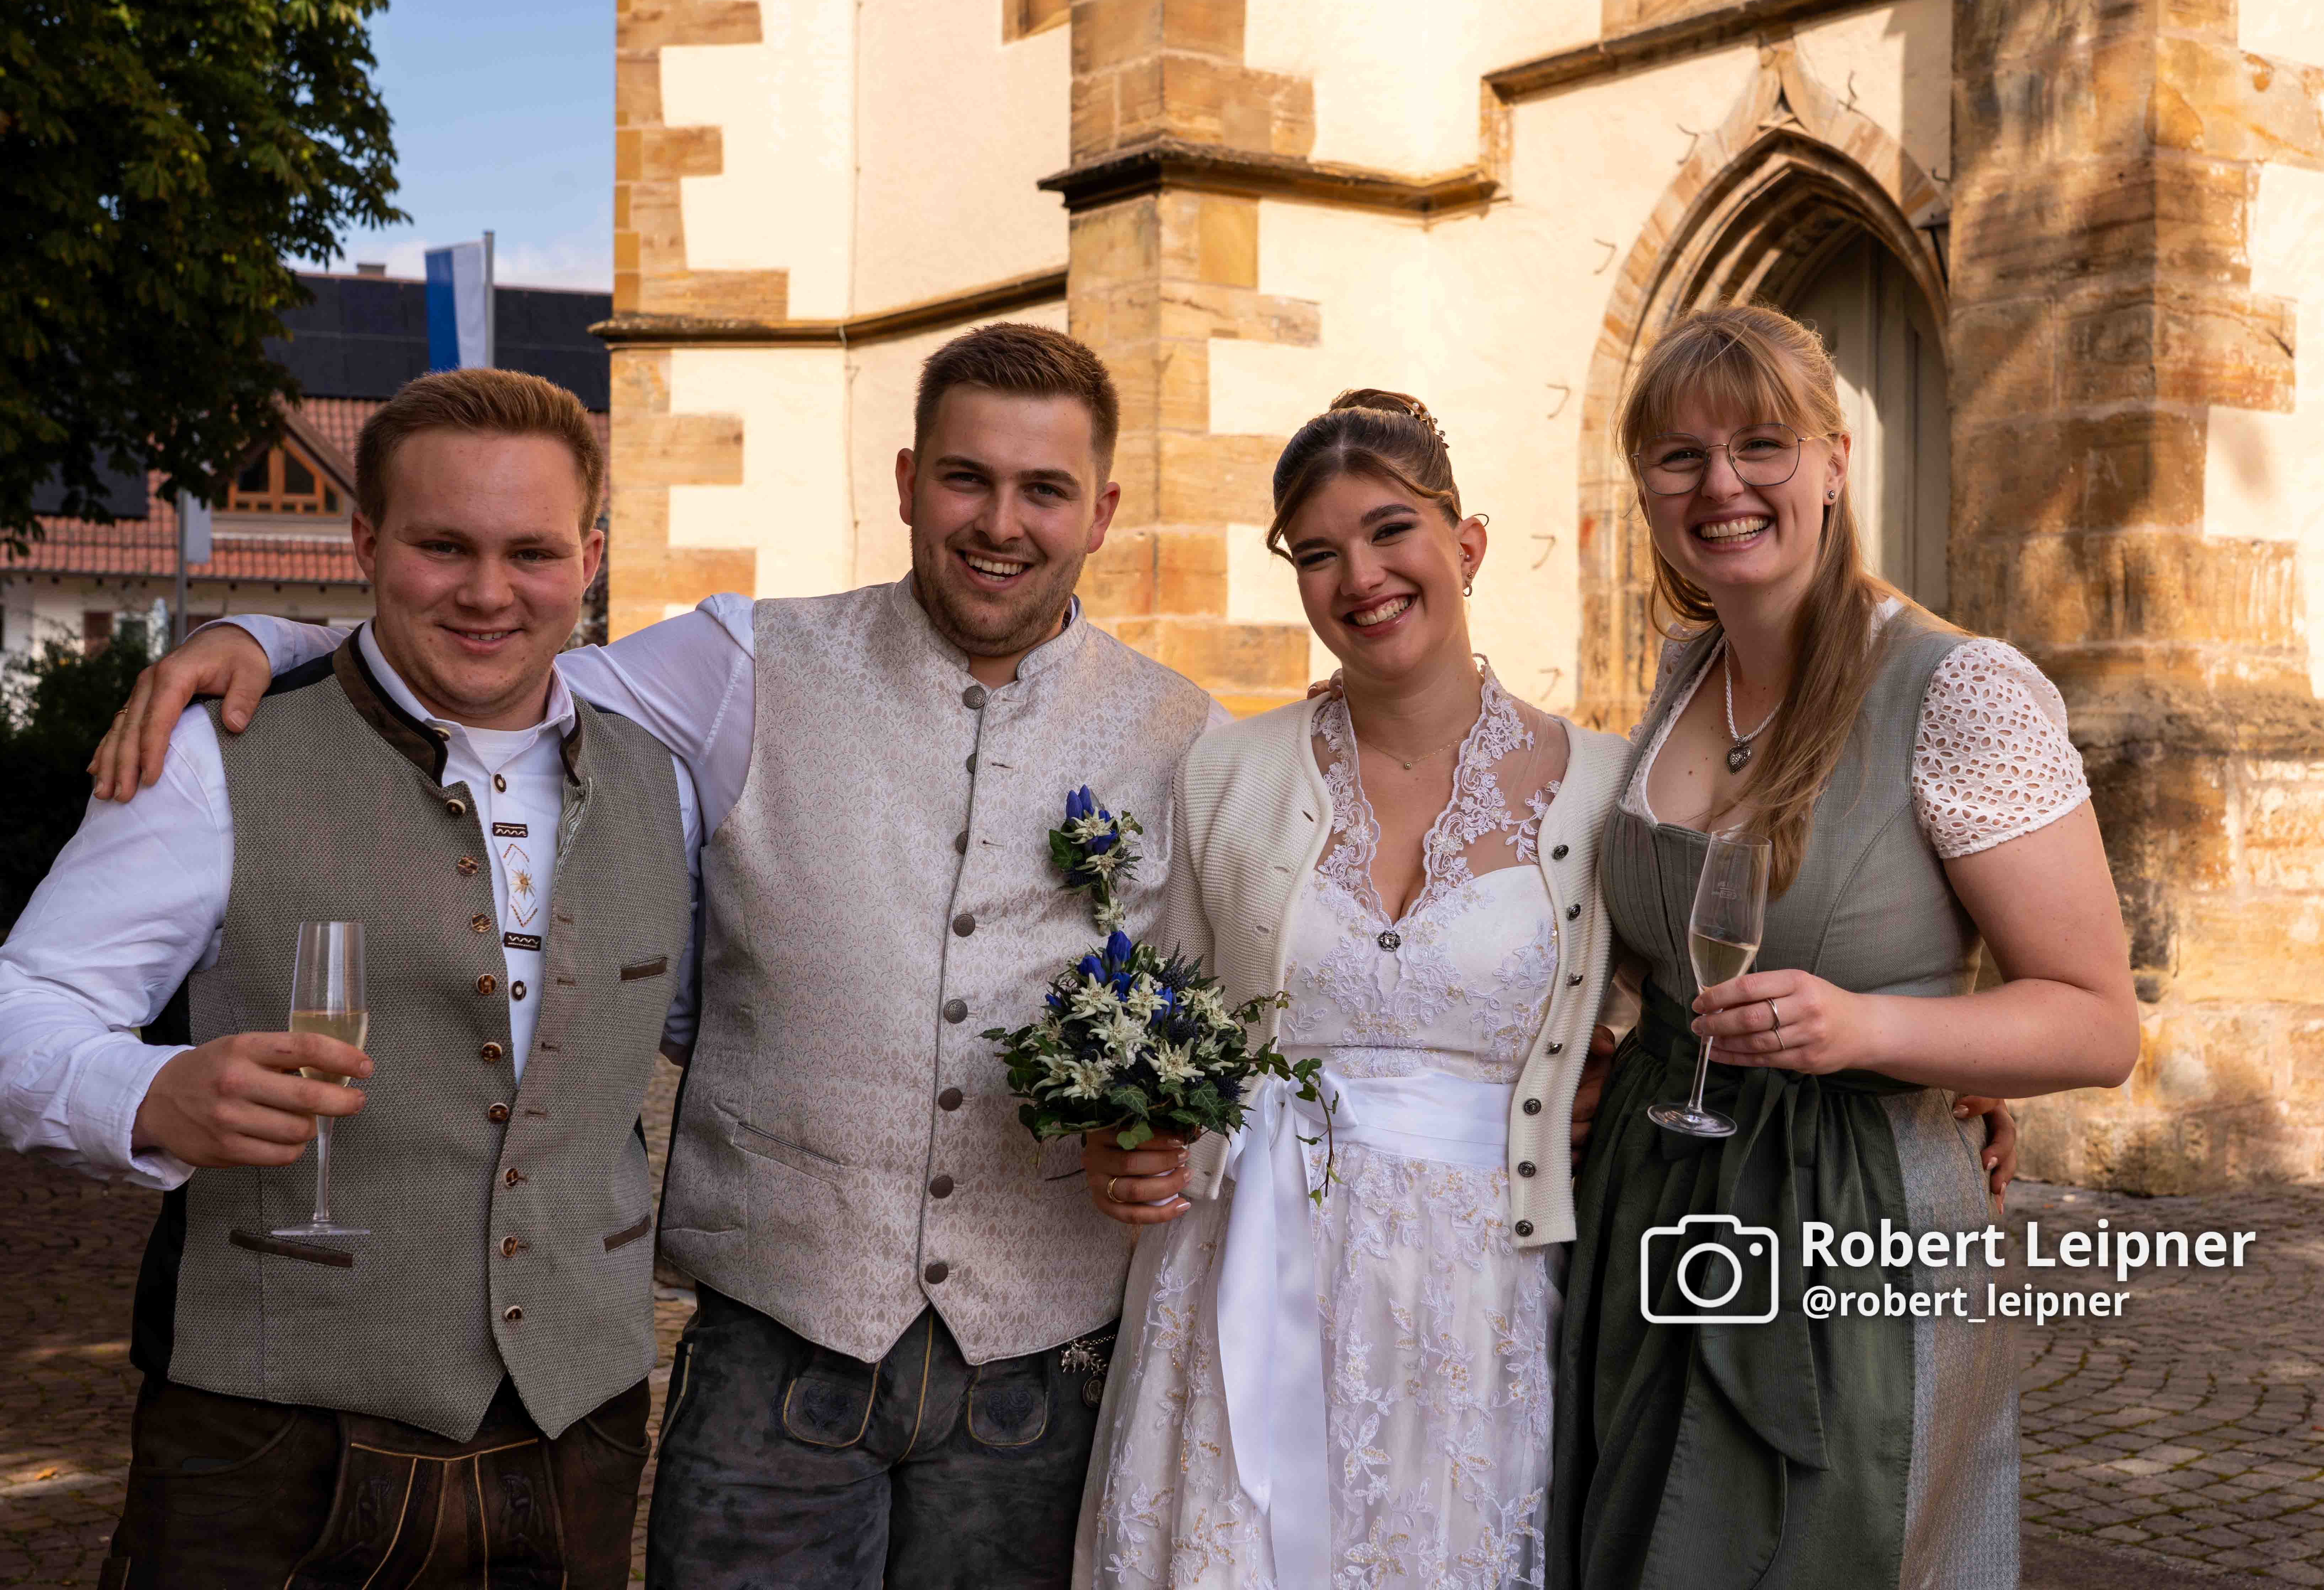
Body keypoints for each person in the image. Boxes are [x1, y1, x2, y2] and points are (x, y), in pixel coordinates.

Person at [87, 324, 1221, 1589]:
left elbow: (1232, 1024)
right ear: (908, 484)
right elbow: (494, 663)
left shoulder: (1190, 740)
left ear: (1104, 510)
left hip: (1045, 1359)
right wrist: (264, 636)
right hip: (772, 1347)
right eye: (966, 478)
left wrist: (1176, 1138)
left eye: (1045, 489)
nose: (999, 521)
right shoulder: (739, 662)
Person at [1068, 391, 2015, 1590]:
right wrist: (1123, 1137)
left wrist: (1945, 1080)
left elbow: (1682, 998)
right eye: (1318, 552)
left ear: (1464, 545)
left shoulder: (1605, 788)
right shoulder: (1225, 775)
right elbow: (1163, 1031)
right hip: (1246, 1274)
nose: (1360, 574)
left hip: (1487, 1292)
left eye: (1391, 530)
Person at [0, 368, 701, 1587]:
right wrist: (146, 1093)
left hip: (575, 1435)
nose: (489, 593)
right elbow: (26, 1005)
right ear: (367, 542)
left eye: (531, 551)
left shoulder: (666, 782)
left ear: (589, 558)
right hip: (269, 1449)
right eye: (443, 546)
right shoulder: (222, 754)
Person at [1546, 307, 2141, 1590]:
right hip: (1651, 1199)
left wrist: (1876, 1031)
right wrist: (1604, 1049)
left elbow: (2098, 1022)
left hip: (1849, 1215)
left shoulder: (1960, 689)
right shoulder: (1683, 675)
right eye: (1679, 457)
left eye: (1763, 444)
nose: (1722, 485)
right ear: (1644, 488)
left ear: (1832, 462)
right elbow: (1654, 952)